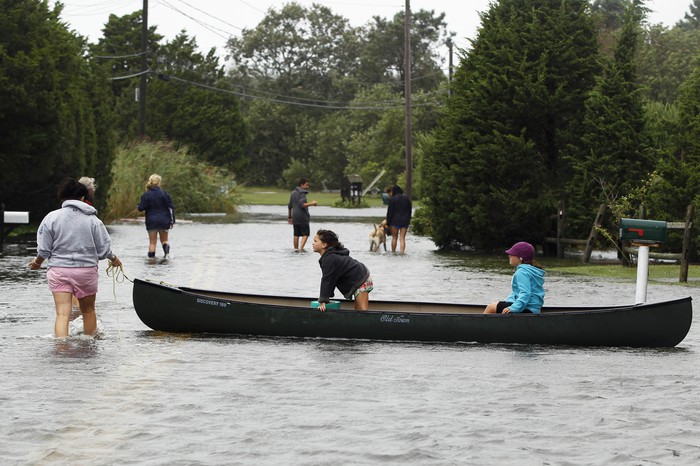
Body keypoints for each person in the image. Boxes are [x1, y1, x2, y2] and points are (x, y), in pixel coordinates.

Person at [28, 178, 121, 337]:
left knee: (62, 314)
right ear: (83, 198)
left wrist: (37, 263)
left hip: (58, 270)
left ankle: (61, 346)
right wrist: (113, 259)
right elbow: (104, 249)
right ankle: (89, 345)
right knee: (88, 311)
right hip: (86, 271)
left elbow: (44, 250)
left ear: (63, 196)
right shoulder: (93, 220)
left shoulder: (51, 217)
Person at [313, 229, 372, 311]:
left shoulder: (329, 258)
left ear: (324, 245)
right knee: (358, 310)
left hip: (361, 279)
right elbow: (331, 279)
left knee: (362, 310)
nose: (313, 243)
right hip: (359, 277)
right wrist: (325, 298)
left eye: (315, 241)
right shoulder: (329, 257)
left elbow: (327, 280)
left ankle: (367, 319)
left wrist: (323, 301)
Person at [483, 241, 545, 314]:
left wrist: (514, 308)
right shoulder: (532, 270)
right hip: (534, 308)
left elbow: (525, 293)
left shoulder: (522, 272)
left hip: (526, 308)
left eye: (512, 254)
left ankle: (481, 322)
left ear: (521, 258)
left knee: (490, 307)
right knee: (499, 306)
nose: (509, 256)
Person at [137, 174, 175, 258]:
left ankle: (151, 261)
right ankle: (167, 255)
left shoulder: (146, 195)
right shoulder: (165, 194)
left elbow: (140, 208)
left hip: (151, 221)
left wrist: (139, 205)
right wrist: (172, 221)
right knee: (164, 240)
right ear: (159, 183)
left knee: (152, 243)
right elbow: (171, 208)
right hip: (164, 221)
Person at [287, 177, 317, 251]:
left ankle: (295, 249)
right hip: (302, 217)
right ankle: (301, 248)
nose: (308, 186)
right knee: (305, 234)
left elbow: (289, 206)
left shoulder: (293, 193)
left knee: (296, 234)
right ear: (301, 185)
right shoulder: (302, 193)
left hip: (295, 217)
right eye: (306, 185)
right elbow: (302, 205)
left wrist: (289, 217)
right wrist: (312, 203)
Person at [386, 184, 412, 254]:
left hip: (394, 221)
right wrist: (409, 219)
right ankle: (402, 252)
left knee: (394, 237)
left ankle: (393, 252)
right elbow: (409, 210)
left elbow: (390, 212)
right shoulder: (406, 199)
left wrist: (388, 222)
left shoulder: (392, 199)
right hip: (405, 220)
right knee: (402, 238)